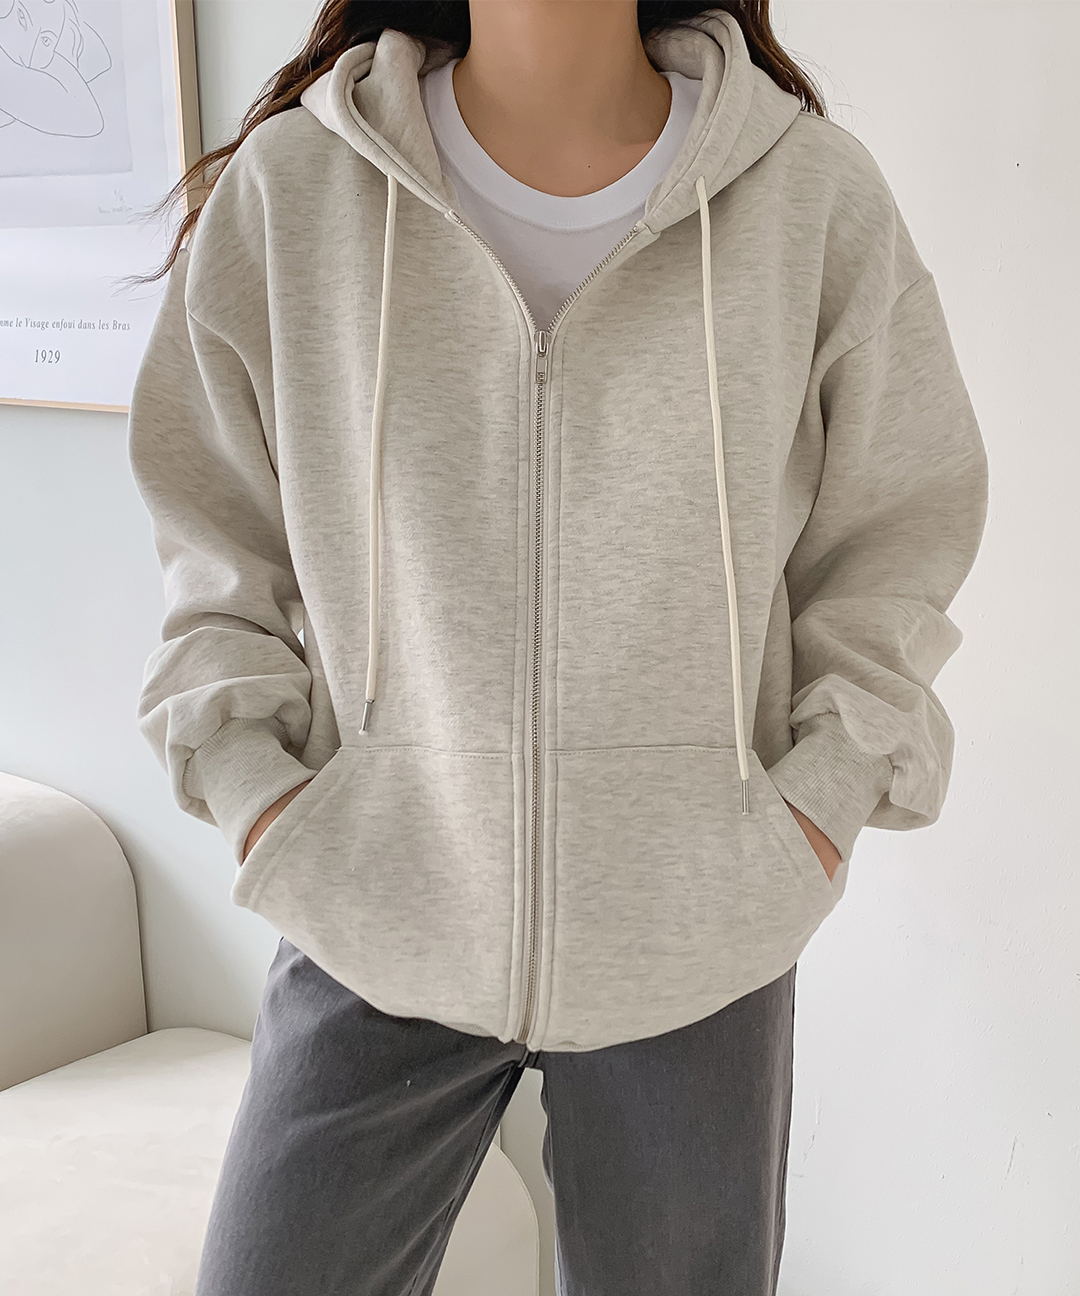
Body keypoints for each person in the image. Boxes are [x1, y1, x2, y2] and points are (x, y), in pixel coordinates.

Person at [126, 2, 989, 1292]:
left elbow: (897, 532)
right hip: (378, 905)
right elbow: (211, 533)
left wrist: (810, 809)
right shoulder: (296, 187)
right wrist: (269, 803)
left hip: (698, 938)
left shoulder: (806, 194)